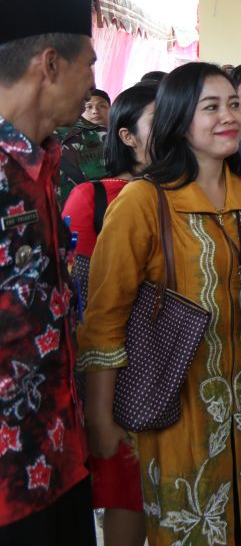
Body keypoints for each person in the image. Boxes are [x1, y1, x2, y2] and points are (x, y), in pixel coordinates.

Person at [77, 62, 241, 546]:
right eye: (212, 106)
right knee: (190, 519)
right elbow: (104, 315)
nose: (230, 116)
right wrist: (100, 418)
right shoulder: (142, 201)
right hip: (176, 395)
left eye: (233, 105)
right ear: (180, 120)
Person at [0, 0, 97, 544]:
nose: (92, 82)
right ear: (51, 64)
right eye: (89, 65)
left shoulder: (47, 160)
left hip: (59, 448)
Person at [62, 81, 157, 546]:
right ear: (126, 136)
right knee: (130, 494)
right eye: (163, 123)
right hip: (125, 372)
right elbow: (87, 299)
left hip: (193, 366)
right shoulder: (93, 197)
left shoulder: (202, 194)